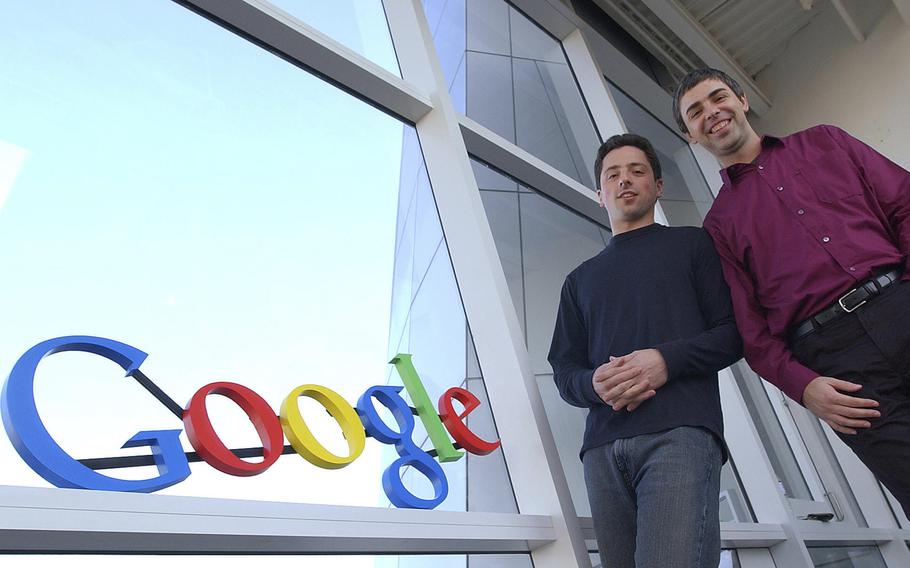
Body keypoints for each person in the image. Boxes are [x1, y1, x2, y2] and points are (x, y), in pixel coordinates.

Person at [673, 67, 910, 514]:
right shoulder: (718, 229)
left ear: (742, 100)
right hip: (842, 366)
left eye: (717, 97)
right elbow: (751, 332)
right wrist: (804, 389)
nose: (712, 113)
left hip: (900, 300)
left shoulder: (827, 141)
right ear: (690, 136)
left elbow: (905, 204)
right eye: (696, 112)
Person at [548, 133, 742, 568]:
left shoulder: (694, 245)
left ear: (658, 186)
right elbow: (564, 370)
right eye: (612, 175)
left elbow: (733, 334)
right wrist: (594, 385)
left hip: (681, 436)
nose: (625, 181)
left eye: (637, 171)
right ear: (600, 195)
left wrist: (664, 361)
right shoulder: (580, 280)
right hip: (601, 451)